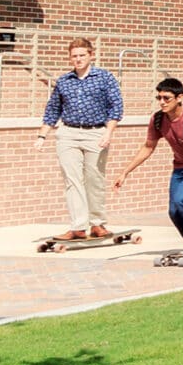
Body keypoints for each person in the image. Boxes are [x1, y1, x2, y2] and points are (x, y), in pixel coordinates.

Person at [112, 78, 183, 249]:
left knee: (181, 200)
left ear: (179, 97)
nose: (162, 102)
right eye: (159, 98)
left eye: (166, 98)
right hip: (180, 166)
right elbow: (148, 147)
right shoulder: (158, 119)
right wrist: (125, 172)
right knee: (173, 210)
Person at [35, 38, 124, 241]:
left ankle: (97, 223)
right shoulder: (64, 81)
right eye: (74, 56)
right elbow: (52, 110)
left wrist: (108, 133)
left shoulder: (104, 77)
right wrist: (42, 135)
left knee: (94, 179)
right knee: (72, 180)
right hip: (68, 134)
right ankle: (77, 226)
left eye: (82, 55)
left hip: (96, 133)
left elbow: (116, 107)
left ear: (91, 55)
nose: (78, 59)